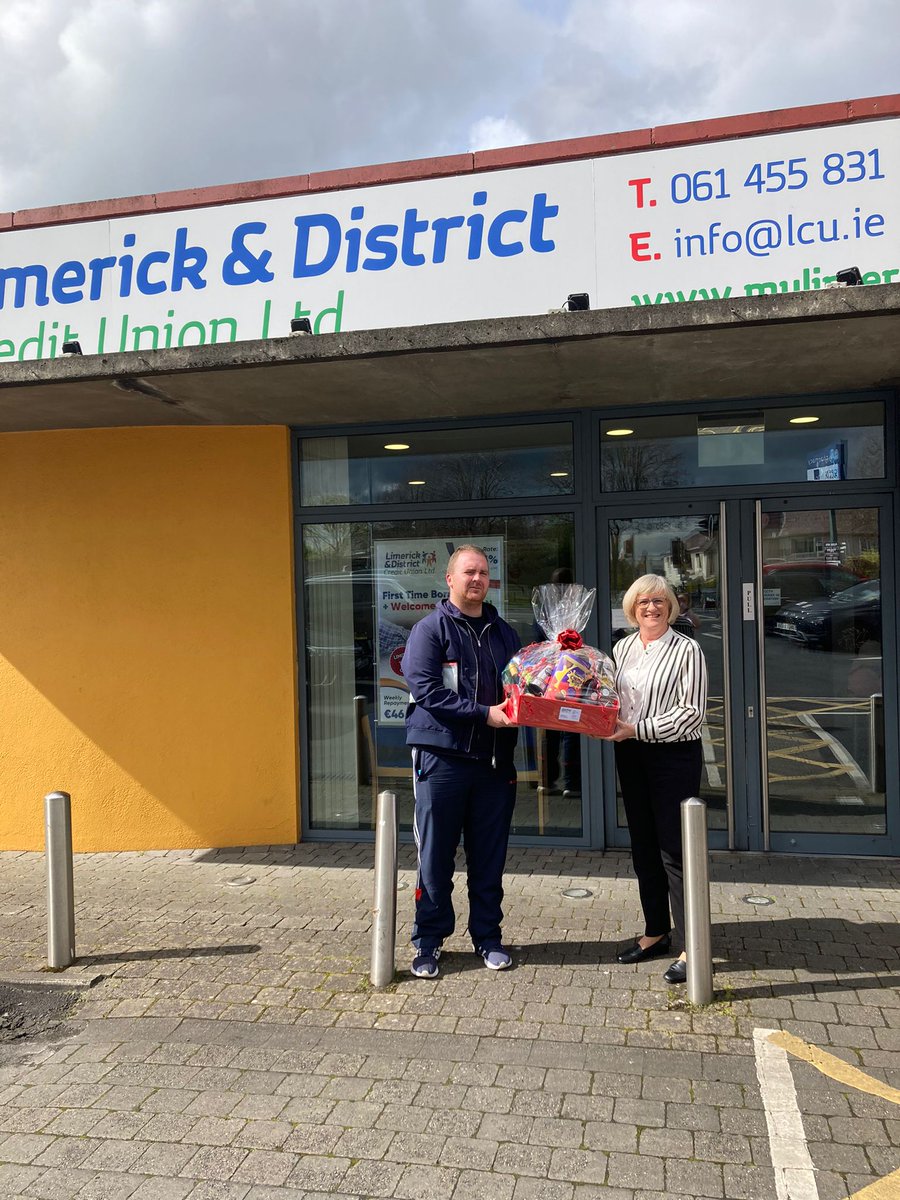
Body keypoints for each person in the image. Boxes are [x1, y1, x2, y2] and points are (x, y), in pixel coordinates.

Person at [401, 544, 521, 978]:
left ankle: (488, 939)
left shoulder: (504, 633)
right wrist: (484, 713)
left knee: (489, 859)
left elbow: (520, 690)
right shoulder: (430, 630)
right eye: (468, 572)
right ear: (449, 579)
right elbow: (427, 690)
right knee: (435, 858)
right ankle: (428, 942)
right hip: (442, 762)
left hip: (494, 764)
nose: (476, 579)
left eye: (483, 573)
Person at [603, 574, 708, 985]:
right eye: (644, 601)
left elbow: (692, 713)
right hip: (631, 754)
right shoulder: (623, 647)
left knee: (675, 852)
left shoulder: (687, 650)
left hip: (672, 756)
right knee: (643, 846)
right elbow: (610, 698)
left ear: (671, 607)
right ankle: (656, 931)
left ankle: (690, 945)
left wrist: (637, 729)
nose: (652, 607)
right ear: (633, 607)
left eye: (660, 601)